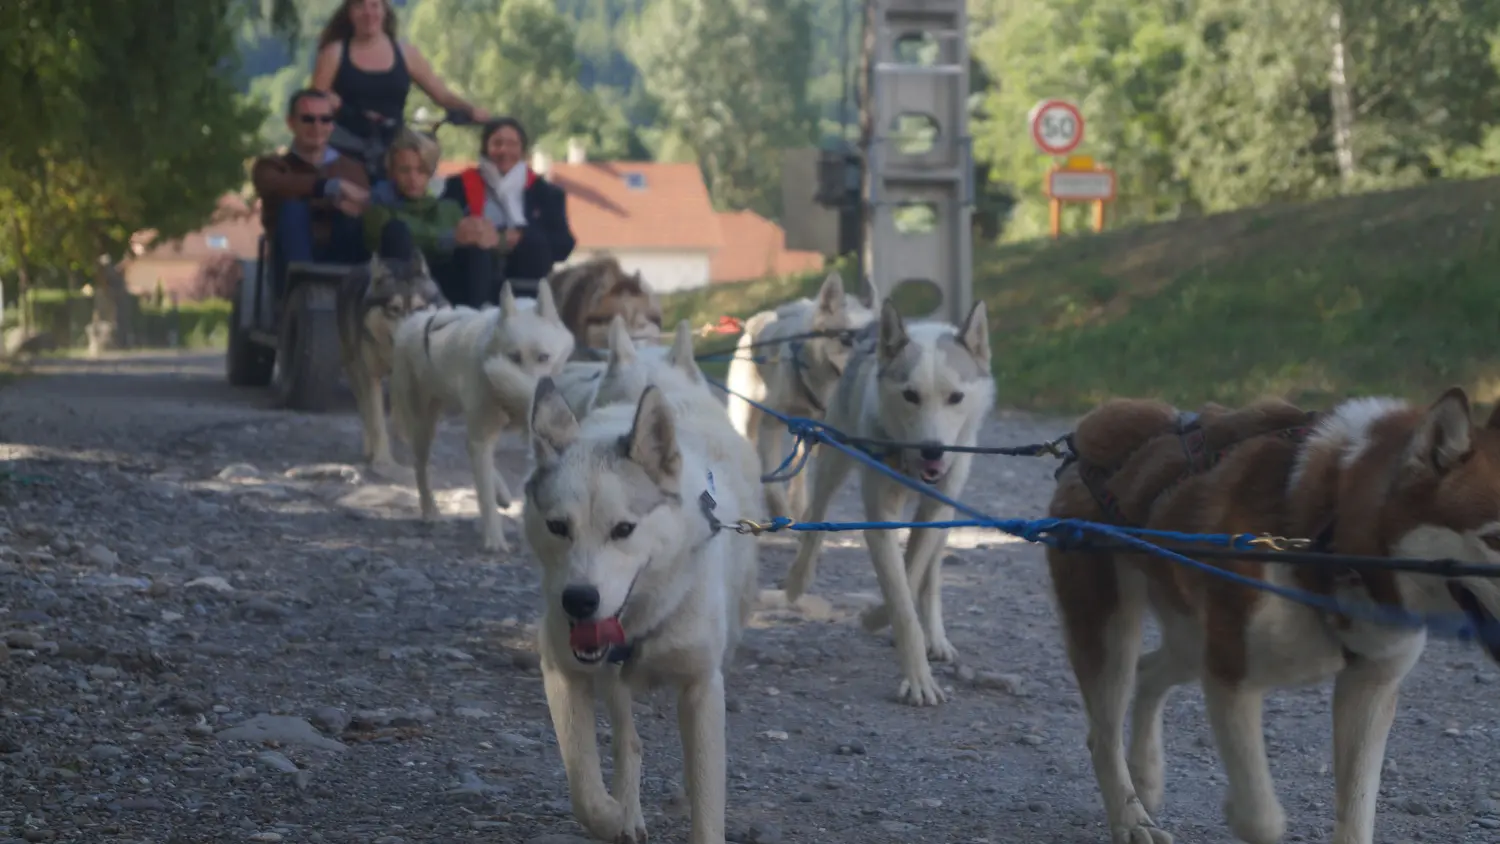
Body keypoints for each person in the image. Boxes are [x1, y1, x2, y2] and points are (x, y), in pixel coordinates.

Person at [311, 0, 490, 176]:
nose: (368, 13)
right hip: (345, 151)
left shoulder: (406, 54)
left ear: (384, 10)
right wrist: (331, 103)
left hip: (393, 152)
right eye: (360, 5)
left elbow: (441, 95)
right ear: (349, 12)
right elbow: (312, 102)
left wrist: (471, 110)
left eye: (374, 5)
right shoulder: (334, 53)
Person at [442, 117, 576, 301]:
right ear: (485, 148)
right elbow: (441, 234)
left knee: (533, 244)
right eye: (497, 143)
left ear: (522, 150)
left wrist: (521, 237)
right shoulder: (458, 186)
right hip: (473, 278)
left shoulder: (546, 193)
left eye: (512, 144)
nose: (504, 150)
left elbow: (564, 245)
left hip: (528, 281)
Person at [362, 127, 498, 307]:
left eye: (421, 171)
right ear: (392, 171)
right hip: (399, 293)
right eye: (405, 170)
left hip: (448, 287)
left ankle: (476, 319)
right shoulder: (377, 210)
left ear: (430, 173)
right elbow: (410, 236)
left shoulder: (450, 209)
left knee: (477, 252)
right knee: (396, 231)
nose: (413, 178)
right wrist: (450, 238)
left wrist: (488, 237)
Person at [251, 88, 371, 292]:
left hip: (342, 254)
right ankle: (302, 291)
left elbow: (361, 204)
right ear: (291, 123)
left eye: (325, 119)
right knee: (292, 209)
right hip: (290, 259)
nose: (317, 126)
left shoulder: (353, 169)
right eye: (308, 119)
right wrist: (331, 188)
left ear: (332, 125)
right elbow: (276, 184)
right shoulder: (271, 166)